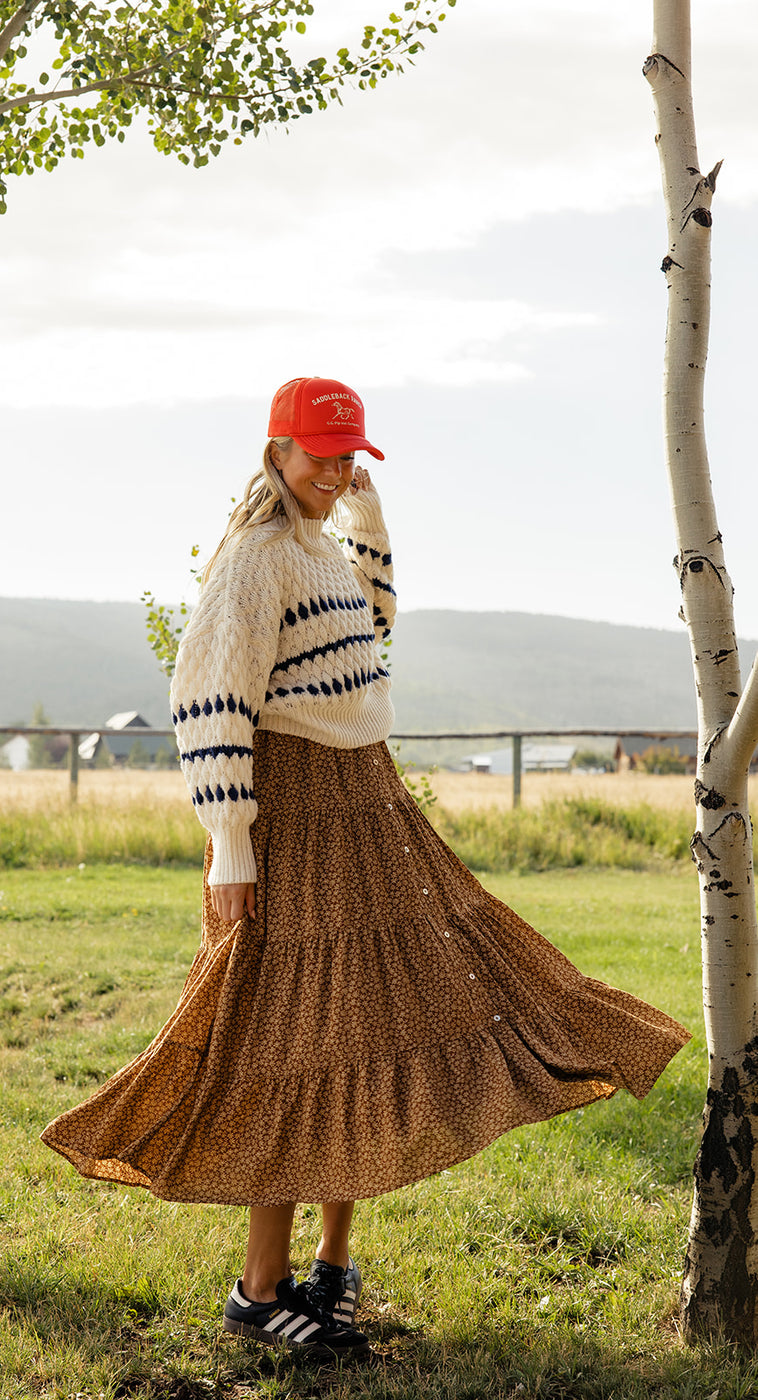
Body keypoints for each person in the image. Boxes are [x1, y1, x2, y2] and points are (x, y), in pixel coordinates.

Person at [41, 375, 690, 1362]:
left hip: (364, 800)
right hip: (294, 808)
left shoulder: (317, 548)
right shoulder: (254, 559)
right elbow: (206, 699)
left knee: (370, 1028)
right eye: (320, 457)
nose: (334, 471)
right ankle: (258, 1290)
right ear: (275, 450)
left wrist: (368, 512)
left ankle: (332, 1267)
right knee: (288, 1041)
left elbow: (372, 625)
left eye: (350, 458)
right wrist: (231, 846)